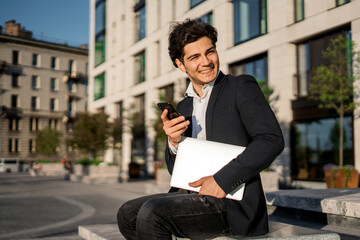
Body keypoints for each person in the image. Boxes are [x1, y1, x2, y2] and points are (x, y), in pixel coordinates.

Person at [117, 18, 284, 240]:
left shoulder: (240, 86)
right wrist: (174, 144)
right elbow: (176, 171)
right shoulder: (184, 106)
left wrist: (221, 181)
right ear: (180, 64)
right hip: (193, 196)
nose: (206, 62)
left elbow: (271, 139)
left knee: (153, 213)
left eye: (210, 52)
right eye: (194, 57)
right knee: (127, 214)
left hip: (232, 202)